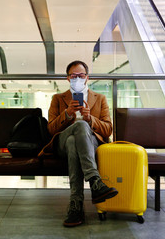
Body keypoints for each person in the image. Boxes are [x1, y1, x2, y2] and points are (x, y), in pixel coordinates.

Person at [40, 60, 118, 227]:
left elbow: (108, 130)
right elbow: (51, 130)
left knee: (73, 141)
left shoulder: (100, 99)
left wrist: (90, 118)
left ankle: (76, 205)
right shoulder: (58, 99)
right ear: (68, 79)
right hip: (60, 145)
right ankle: (95, 182)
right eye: (73, 76)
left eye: (80, 75)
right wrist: (67, 114)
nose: (77, 78)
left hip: (90, 145)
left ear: (87, 78)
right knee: (74, 131)